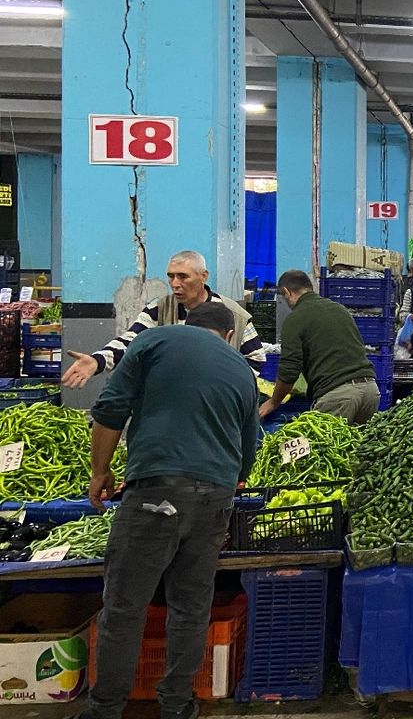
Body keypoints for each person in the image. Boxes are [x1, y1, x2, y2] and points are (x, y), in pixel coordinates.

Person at [78, 302, 258, 719]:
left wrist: (100, 472)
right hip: (214, 499)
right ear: (229, 335)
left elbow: (109, 410)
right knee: (191, 608)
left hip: (155, 492)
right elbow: (246, 458)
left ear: (186, 323)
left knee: (125, 607)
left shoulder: (154, 338)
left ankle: (104, 710)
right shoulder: (241, 370)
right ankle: (176, 706)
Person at [62, 251, 265, 388]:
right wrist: (97, 361)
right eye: (171, 276)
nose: (175, 284)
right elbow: (129, 342)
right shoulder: (159, 310)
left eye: (183, 277)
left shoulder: (234, 314)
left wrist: (228, 388)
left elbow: (255, 359)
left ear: (203, 276)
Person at [260, 271, 380, 424]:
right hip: (370, 390)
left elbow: (289, 370)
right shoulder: (339, 309)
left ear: (286, 292)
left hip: (338, 396)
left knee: (324, 447)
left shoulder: (296, 318)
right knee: (358, 446)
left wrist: (273, 402)